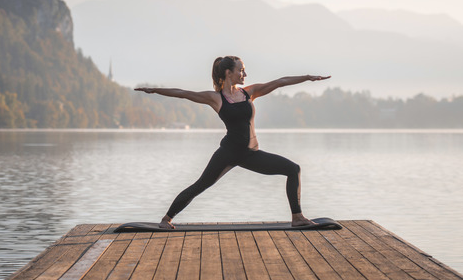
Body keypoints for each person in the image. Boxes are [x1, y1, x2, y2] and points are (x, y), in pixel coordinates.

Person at [135, 55, 330, 229]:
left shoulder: (249, 92)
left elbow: (280, 81)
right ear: (229, 73)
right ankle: (166, 219)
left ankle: (297, 217)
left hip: (251, 154)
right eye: (241, 69)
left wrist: (307, 77)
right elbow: (182, 93)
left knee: (293, 169)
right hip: (228, 152)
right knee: (200, 185)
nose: (245, 73)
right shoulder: (216, 98)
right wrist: (155, 90)